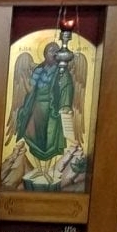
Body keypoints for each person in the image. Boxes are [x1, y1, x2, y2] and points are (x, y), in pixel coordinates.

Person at [14, 41, 73, 184]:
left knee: (49, 141)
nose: (53, 53)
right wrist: (24, 79)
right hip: (35, 108)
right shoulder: (38, 69)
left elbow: (67, 87)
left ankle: (47, 171)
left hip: (51, 111)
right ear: (45, 54)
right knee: (32, 136)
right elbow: (31, 90)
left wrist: (65, 105)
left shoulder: (61, 72)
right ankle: (39, 169)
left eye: (55, 51)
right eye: (50, 51)